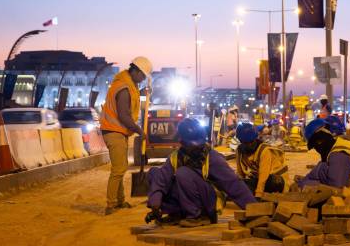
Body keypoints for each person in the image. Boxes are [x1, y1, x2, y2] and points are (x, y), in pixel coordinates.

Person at [146, 118, 256, 227]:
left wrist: (255, 209)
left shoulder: (212, 157)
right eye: (193, 145)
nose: (197, 147)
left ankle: (198, 216)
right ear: (182, 142)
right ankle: (177, 214)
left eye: (199, 144)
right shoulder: (175, 157)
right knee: (154, 173)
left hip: (208, 204)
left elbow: (233, 184)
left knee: (183, 173)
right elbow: (161, 181)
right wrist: (155, 204)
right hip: (190, 198)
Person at [100, 56, 152, 215]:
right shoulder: (123, 88)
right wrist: (139, 130)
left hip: (117, 131)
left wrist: (144, 93)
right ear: (135, 71)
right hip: (113, 130)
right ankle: (111, 205)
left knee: (120, 167)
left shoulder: (128, 85)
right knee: (118, 169)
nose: (142, 79)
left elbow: (133, 98)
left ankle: (120, 201)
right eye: (142, 75)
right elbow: (123, 115)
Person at [296, 118, 350, 201]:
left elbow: (335, 187)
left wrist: (308, 184)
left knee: (320, 178)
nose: (317, 149)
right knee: (321, 171)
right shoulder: (339, 146)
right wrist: (305, 179)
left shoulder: (339, 154)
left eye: (316, 145)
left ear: (320, 140)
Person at [235, 122, 288, 199]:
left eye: (251, 142)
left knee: (272, 182)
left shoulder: (264, 150)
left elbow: (264, 175)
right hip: (257, 179)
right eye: (246, 143)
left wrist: (258, 195)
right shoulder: (239, 150)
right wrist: (240, 185)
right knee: (239, 184)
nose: (249, 145)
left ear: (255, 139)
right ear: (240, 141)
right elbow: (240, 173)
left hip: (275, 180)